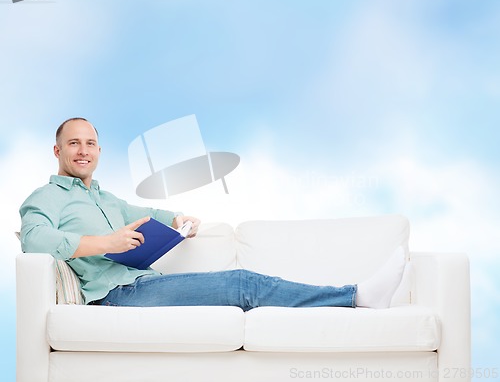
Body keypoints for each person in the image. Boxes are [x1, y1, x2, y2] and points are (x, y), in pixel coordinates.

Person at [19, 117, 405, 309]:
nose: (83, 150)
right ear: (58, 151)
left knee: (241, 283)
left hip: (141, 283)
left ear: (100, 151)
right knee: (242, 283)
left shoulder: (106, 198)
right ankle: (356, 297)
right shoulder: (47, 197)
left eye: (91, 143)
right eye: (74, 143)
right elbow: (35, 239)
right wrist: (107, 242)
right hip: (115, 295)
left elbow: (148, 210)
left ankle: (353, 296)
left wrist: (179, 220)